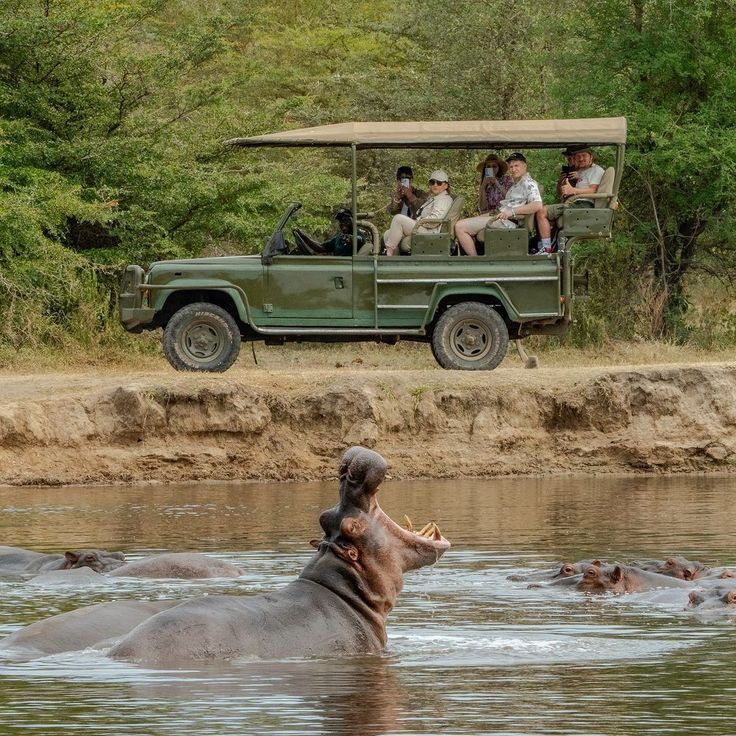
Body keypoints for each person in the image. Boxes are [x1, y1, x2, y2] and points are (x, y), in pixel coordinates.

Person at [455, 153, 543, 256]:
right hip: (497, 215)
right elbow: (483, 207)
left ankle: (476, 261)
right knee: (463, 223)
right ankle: (477, 257)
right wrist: (483, 187)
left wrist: (511, 212)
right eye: (511, 166)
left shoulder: (528, 183)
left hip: (507, 220)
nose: (513, 169)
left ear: (524, 166)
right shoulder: (516, 185)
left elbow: (537, 205)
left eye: (516, 166)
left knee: (459, 226)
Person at [535, 146, 605, 254]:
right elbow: (564, 191)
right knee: (542, 213)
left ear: (591, 156)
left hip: (583, 205)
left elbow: (593, 190)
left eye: (584, 155)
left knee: (542, 211)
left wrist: (572, 190)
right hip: (573, 202)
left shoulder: (596, 170)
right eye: (578, 156)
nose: (581, 159)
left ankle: (546, 249)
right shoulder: (580, 170)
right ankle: (545, 247)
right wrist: (563, 184)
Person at [382, 170, 453, 256]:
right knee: (387, 234)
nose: (435, 185)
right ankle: (394, 262)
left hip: (430, 231)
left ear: (446, 185)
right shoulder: (435, 198)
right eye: (432, 182)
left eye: (439, 183)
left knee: (398, 219)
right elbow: (390, 210)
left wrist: (410, 195)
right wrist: (398, 197)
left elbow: (434, 221)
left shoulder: (443, 199)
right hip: (423, 227)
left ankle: (388, 255)